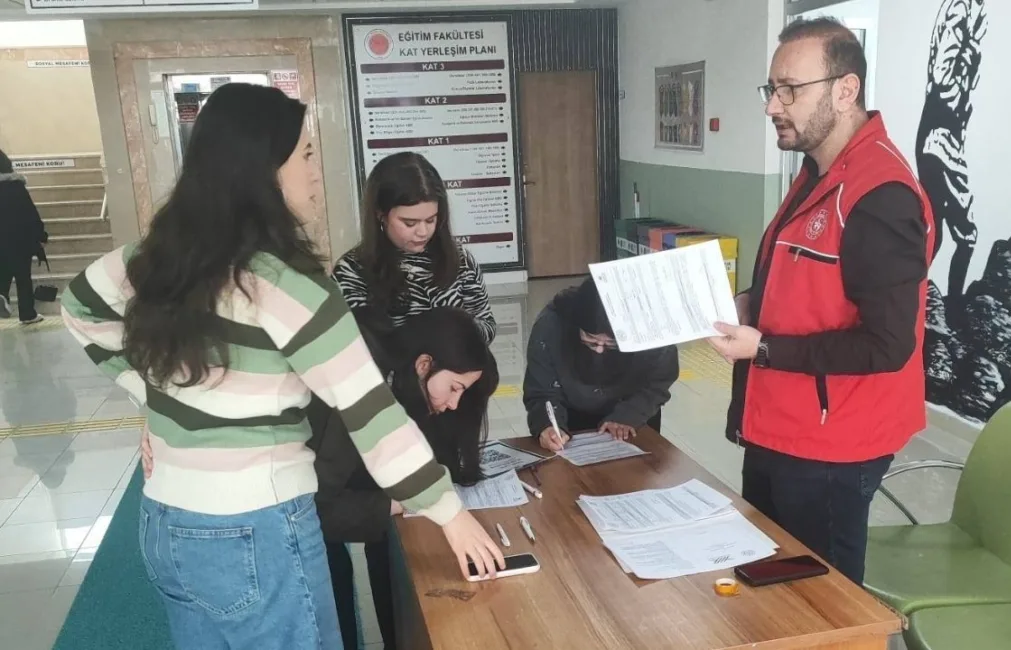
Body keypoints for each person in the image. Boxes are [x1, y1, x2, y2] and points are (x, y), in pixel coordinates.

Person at [60, 83, 502, 650]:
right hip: (257, 528)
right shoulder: (288, 286)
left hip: (166, 521)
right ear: (264, 170)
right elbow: (372, 414)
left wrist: (149, 396)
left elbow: (79, 309)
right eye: (307, 156)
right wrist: (451, 514)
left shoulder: (158, 257)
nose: (317, 173)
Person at [708, 18, 933, 585]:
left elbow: (887, 344)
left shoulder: (880, 194)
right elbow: (805, 283)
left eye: (790, 90)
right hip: (779, 422)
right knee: (766, 577)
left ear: (845, 89)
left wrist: (763, 348)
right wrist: (747, 303)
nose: (772, 106)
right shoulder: (818, 171)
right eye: (771, 89)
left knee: (823, 600)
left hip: (832, 443)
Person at [308, 307, 498, 650]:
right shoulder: (362, 386)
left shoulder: (392, 374)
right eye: (454, 388)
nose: (455, 404)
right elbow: (314, 512)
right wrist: (398, 504)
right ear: (424, 365)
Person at [333, 151, 496, 343]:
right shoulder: (352, 271)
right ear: (380, 214)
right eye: (410, 223)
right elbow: (352, 346)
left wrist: (455, 338)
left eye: (431, 220)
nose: (423, 232)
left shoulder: (460, 260)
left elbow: (487, 323)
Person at [524, 277, 678, 451]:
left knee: (640, 472)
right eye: (590, 339)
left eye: (611, 344)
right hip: (570, 415)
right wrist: (547, 425)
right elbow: (541, 390)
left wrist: (629, 415)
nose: (599, 350)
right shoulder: (552, 324)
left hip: (633, 413)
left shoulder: (651, 330)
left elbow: (658, 382)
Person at [0, 148, 46, 324]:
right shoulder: (15, 186)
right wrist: (41, 234)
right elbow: (30, 213)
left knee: (3, 270)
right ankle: (27, 314)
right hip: (20, 239)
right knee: (23, 276)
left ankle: (2, 294)